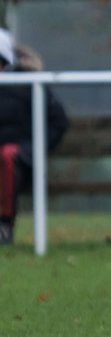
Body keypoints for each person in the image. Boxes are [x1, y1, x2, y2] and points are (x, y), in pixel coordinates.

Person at [0, 28, 70, 244]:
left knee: (7, 156)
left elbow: (57, 123)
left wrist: (31, 151)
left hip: (16, 161)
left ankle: (3, 225)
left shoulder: (28, 85)